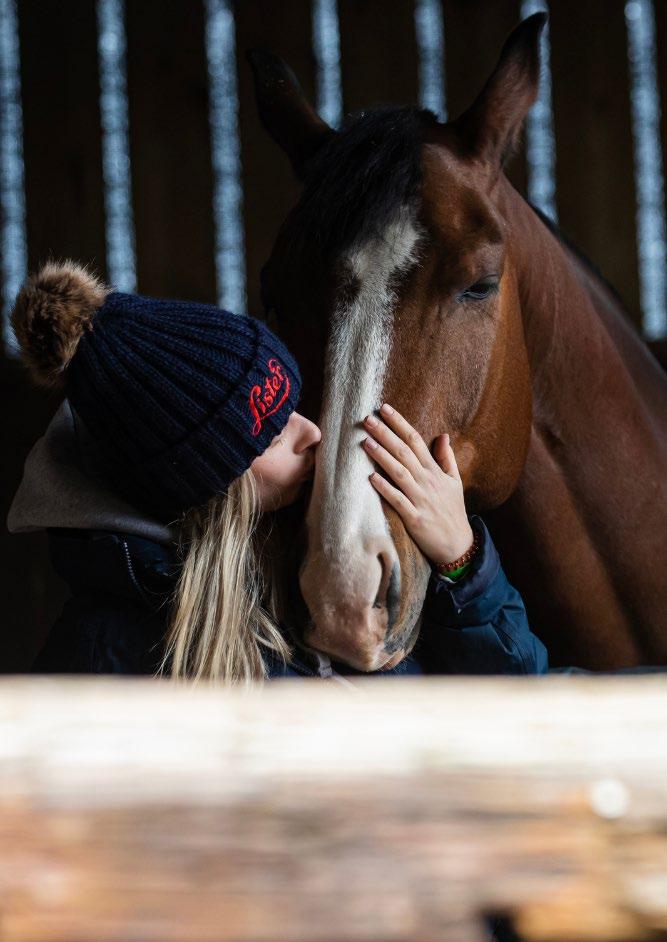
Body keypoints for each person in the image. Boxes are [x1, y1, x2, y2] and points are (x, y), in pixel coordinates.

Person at [8, 261, 548, 682]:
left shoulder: (298, 562)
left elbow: (518, 703)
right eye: (271, 434)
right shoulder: (104, 652)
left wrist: (461, 561)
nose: (312, 433)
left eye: (292, 407)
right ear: (213, 487)